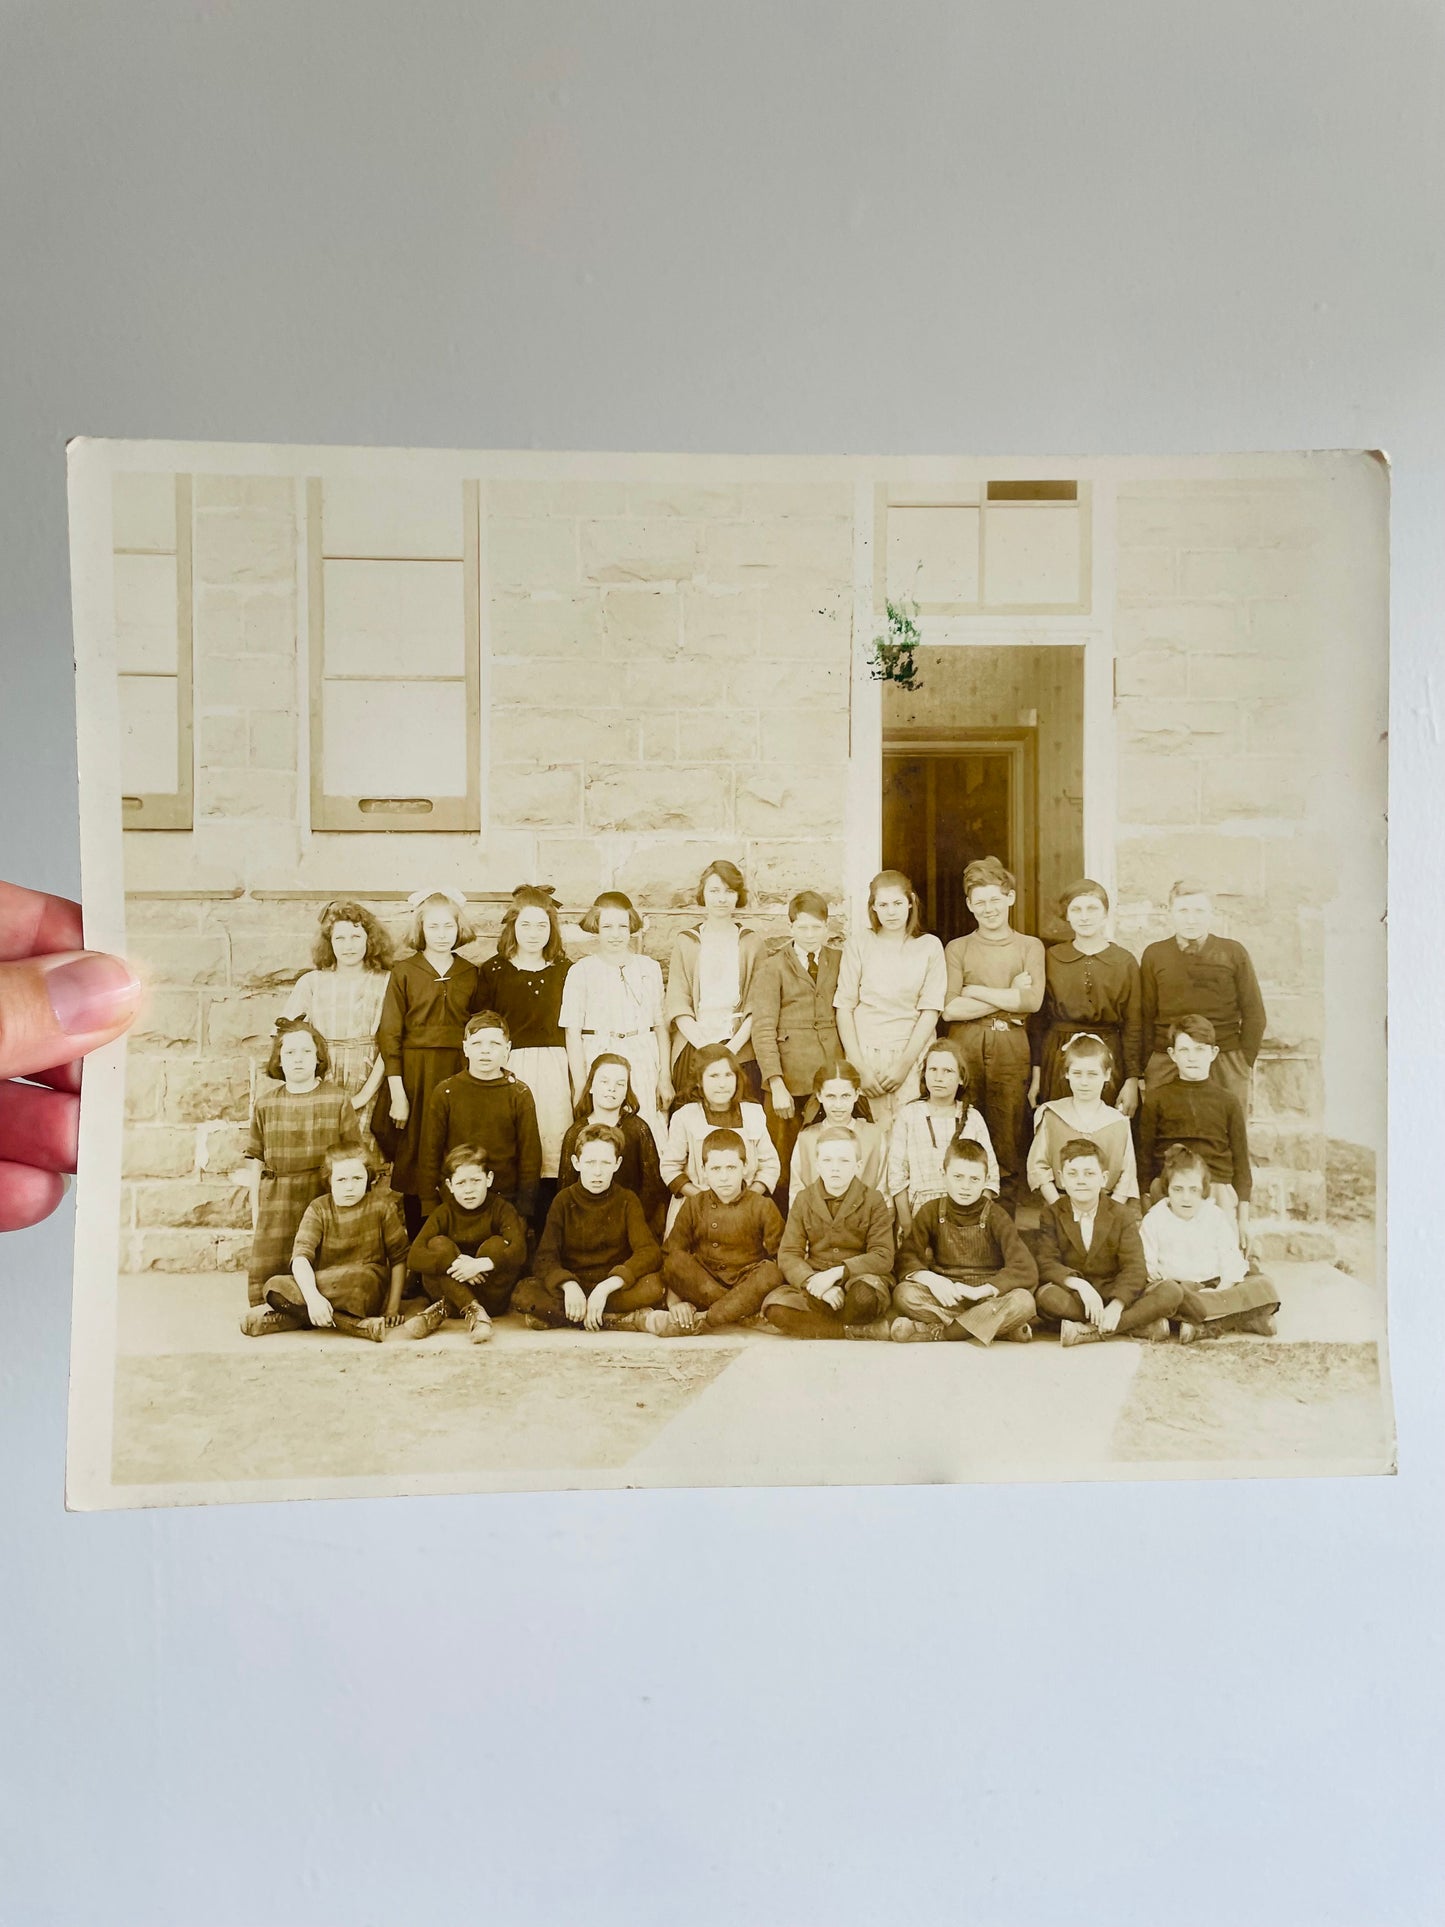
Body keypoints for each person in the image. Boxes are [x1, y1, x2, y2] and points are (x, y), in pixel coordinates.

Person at [940, 857, 1046, 1212]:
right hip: (965, 1045)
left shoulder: (1029, 946)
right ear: (970, 905)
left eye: (995, 899)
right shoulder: (958, 947)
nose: (989, 908)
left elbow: (1031, 1000)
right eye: (980, 902)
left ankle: (1001, 1229)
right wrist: (1005, 997)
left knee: (1007, 1136)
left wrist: (977, 991)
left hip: (1010, 1048)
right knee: (964, 1130)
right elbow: (950, 1009)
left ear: (1011, 898)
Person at [375, 887, 481, 1239]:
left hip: (457, 1071)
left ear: (458, 929)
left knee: (456, 1151)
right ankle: (420, 1249)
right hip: (415, 1076)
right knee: (416, 1157)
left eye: (448, 926)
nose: (441, 934)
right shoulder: (404, 971)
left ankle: (456, 1243)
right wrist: (398, 1092)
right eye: (433, 927)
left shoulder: (470, 973)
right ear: (421, 929)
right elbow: (389, 1033)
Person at [244, 1018, 362, 1306]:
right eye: (290, 1053)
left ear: (319, 1058)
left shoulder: (337, 1100)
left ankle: (317, 1307)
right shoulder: (266, 1104)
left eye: (307, 1052)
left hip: (321, 1194)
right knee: (273, 1274)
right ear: (279, 1060)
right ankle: (278, 1310)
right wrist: (257, 1211)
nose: (299, 1060)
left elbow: (353, 1156)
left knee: (324, 1268)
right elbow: (255, 1161)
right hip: (279, 1198)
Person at [472, 885, 572, 1224]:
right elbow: (481, 1024)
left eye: (542, 925)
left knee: (551, 1144)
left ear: (552, 930)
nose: (533, 933)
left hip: (556, 1069)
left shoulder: (565, 971)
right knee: (510, 1144)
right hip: (511, 1066)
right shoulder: (494, 971)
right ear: (512, 926)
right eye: (526, 925)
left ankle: (546, 1229)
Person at [511, 1123, 667, 1332]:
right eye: (590, 1162)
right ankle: (619, 1320)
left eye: (605, 1163)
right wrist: (569, 1285)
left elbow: (649, 1251)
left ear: (617, 1164)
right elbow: (545, 1258)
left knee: (655, 1286)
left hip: (612, 1288)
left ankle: (573, 1317)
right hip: (574, 1289)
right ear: (576, 1162)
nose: (597, 1172)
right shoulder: (563, 1201)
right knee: (525, 1293)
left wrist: (606, 1287)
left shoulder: (627, 1200)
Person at [243, 1146, 406, 1342]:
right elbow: (301, 1257)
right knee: (274, 1286)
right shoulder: (318, 1208)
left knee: (360, 1280)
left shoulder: (382, 1207)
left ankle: (288, 1318)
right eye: (341, 1179)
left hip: (363, 1286)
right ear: (329, 1180)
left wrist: (392, 1308)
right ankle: (358, 1327)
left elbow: (399, 1258)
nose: (349, 1187)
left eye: (357, 1179)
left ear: (368, 1177)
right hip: (324, 1283)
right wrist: (312, 1299)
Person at [743, 888, 842, 1204]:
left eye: (816, 927)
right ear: (791, 927)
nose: (810, 934)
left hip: (829, 1079)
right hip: (789, 1083)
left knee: (828, 1157)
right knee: (784, 1166)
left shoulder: (839, 961)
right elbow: (762, 1028)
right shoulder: (774, 967)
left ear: (827, 928)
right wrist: (776, 1083)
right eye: (802, 927)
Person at [834, 868, 947, 1142]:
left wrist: (903, 1066)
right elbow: (844, 1007)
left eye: (897, 903)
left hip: (912, 1056)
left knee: (910, 1137)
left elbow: (930, 1010)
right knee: (869, 1140)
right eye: (882, 905)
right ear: (873, 908)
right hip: (866, 1055)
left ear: (911, 902)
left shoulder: (929, 947)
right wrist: (860, 1067)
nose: (891, 911)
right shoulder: (860, 943)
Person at [891, 1137, 1038, 1344]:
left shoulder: (997, 1215)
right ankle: (997, 1329)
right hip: (949, 1297)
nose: (965, 1186)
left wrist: (982, 1291)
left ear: (986, 1179)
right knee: (904, 1294)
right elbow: (906, 1257)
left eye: (974, 1179)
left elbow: (1025, 1267)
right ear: (944, 1175)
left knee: (1024, 1301)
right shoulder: (930, 1211)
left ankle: (942, 1332)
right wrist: (931, 1279)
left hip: (987, 1297)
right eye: (958, 1177)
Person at [1034, 1139, 1180, 1347]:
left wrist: (1117, 1304)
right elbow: (1046, 1262)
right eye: (1073, 1174)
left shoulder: (1122, 1214)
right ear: (1062, 1179)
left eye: (1089, 1173)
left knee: (1171, 1291)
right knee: (1047, 1298)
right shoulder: (1052, 1212)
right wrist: (1082, 1286)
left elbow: (1135, 1267)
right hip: (1077, 1297)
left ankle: (1090, 1331)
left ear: (1103, 1179)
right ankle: (1137, 1325)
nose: (1081, 1181)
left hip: (1116, 1292)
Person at [1139, 881, 1266, 1112]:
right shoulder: (1155, 954)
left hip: (1224, 1057)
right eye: (1183, 911)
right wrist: (1149, 1062)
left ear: (1211, 914)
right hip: (1167, 1058)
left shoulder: (1232, 952)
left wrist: (1243, 1062)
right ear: (1170, 913)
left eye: (1199, 911)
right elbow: (1145, 1015)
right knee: (1165, 1129)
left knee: (1224, 1130)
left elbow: (1254, 1013)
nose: (1191, 919)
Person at [762, 1125, 895, 1340]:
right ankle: (851, 1331)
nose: (835, 1168)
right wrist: (815, 1284)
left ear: (858, 1165)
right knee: (775, 1308)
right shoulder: (804, 1199)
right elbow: (788, 1254)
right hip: (816, 1280)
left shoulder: (873, 1199)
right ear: (817, 1165)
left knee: (863, 1298)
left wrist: (837, 1273)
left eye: (844, 1161)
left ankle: (822, 1327)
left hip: (859, 1278)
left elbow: (883, 1255)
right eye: (827, 1160)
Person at [560, 891, 672, 1144]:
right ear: (596, 928)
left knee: (645, 1128)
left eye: (622, 926)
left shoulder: (649, 968)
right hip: (599, 1055)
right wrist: (580, 1084)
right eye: (608, 926)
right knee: (602, 1132)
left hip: (642, 1055)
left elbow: (660, 1026)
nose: (615, 934)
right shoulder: (581, 971)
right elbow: (572, 1033)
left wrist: (664, 1077)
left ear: (631, 927)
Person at [282, 900, 393, 1148]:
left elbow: (393, 1041)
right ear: (329, 943)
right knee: (322, 1148)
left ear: (369, 940)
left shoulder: (387, 981)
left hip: (371, 1075)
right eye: (340, 938)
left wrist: (365, 1094)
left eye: (356, 936)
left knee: (362, 1152)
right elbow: (286, 1038)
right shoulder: (312, 982)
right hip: (322, 1076)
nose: (348, 946)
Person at [1140, 1145, 1280, 1342]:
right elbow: (1148, 1265)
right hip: (1181, 1289)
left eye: (1193, 1190)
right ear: (1167, 1189)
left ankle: (1203, 1326)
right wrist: (1154, 1273)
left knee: (1264, 1285)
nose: (1186, 1197)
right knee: (1168, 1297)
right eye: (1178, 1189)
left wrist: (1222, 1288)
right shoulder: (1155, 1219)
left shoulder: (1213, 1216)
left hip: (1216, 1285)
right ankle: (1242, 1318)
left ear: (1203, 1190)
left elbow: (1230, 1257)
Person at [1137, 1016, 1254, 1250]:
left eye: (1200, 1050)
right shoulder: (1157, 1098)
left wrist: (1243, 1218)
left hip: (1216, 1188)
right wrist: (1147, 1203)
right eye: (1184, 1049)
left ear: (1213, 1053)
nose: (1192, 1057)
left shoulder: (1228, 1102)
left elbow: (1242, 1162)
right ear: (1172, 1054)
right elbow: (1144, 1156)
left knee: (1224, 1261)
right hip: (1170, 1189)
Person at [417, 1010, 542, 1224]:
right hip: (456, 1202)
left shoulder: (518, 1093)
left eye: (494, 1044)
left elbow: (530, 1157)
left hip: (505, 1203)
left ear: (507, 1049)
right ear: (465, 1048)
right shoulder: (446, 1092)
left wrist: (524, 1210)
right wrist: (430, 1206)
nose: (485, 1051)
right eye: (477, 1044)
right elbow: (429, 1154)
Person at [1029, 879, 1142, 1114]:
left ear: (1105, 914)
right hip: (1059, 1057)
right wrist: (1037, 1074)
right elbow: (1038, 1022)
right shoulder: (1051, 958)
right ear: (1067, 916)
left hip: (1108, 1057)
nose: (1085, 916)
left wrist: (1132, 1080)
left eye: (1092, 909)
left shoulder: (1124, 961)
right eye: (1076, 909)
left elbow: (1134, 1024)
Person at [661, 1128, 786, 1333]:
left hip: (746, 1282)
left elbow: (780, 1255)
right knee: (675, 1261)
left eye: (731, 1167)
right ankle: (740, 1313)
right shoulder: (694, 1204)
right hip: (705, 1283)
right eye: (716, 1169)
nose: (724, 1177)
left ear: (745, 1167)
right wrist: (675, 1303)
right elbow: (672, 1255)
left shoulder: (762, 1205)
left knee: (771, 1272)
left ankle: (709, 1318)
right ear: (704, 1170)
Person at [664, 859, 767, 1107]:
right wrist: (706, 1049)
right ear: (703, 894)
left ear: (738, 896)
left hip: (739, 1049)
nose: (722, 899)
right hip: (695, 1046)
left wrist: (729, 1050)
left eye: (729, 891)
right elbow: (679, 1002)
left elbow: (759, 1004)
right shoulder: (687, 941)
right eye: (715, 891)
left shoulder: (751, 943)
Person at [402, 1144, 530, 1344]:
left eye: (476, 1181)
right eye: (461, 1183)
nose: (469, 1190)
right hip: (454, 1290)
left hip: (492, 1297)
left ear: (489, 1179)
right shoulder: (444, 1212)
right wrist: (455, 1263)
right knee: (438, 1245)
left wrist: (481, 1264)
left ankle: (442, 1310)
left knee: (497, 1245)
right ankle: (474, 1312)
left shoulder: (501, 1209)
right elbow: (414, 1256)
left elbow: (519, 1250)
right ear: (450, 1185)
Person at [659, 1042, 779, 1230]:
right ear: (699, 1081)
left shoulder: (753, 1113)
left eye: (728, 1075)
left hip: (746, 1208)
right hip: (697, 1208)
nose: (722, 1084)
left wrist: (746, 1200)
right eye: (714, 1076)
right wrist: (701, 1199)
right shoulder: (685, 1116)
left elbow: (770, 1166)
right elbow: (670, 1168)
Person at [887, 1036, 999, 1235]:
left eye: (948, 1071)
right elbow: (896, 1176)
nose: (939, 1077)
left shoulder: (972, 1118)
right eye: (933, 1070)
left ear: (961, 1078)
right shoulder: (909, 1115)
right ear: (924, 1074)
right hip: (918, 1216)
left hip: (964, 1218)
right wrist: (906, 1223)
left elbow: (990, 1176)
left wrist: (974, 1219)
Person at [557, 1053, 669, 1237]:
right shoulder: (576, 1132)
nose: (612, 1089)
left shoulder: (637, 1128)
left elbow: (652, 1185)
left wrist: (634, 1222)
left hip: (631, 1224)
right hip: (586, 1225)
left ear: (627, 1090)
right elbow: (565, 1187)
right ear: (591, 1086)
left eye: (620, 1084)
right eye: (604, 1082)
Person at [1026, 1032, 1140, 1212]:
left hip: (1107, 1209)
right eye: (1077, 1073)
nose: (1084, 1082)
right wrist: (1059, 1207)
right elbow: (1038, 1167)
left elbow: (1127, 1176)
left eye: (1092, 1074)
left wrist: (1109, 1215)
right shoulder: (1052, 1115)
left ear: (1107, 1074)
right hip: (1060, 1205)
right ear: (1067, 1074)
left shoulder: (1118, 1122)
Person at [788, 1059, 889, 1200]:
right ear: (819, 1096)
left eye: (845, 1096)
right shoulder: (806, 1138)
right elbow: (796, 1193)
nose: (838, 1105)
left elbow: (883, 1192)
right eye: (831, 1096)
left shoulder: (874, 1136)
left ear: (857, 1094)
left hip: (866, 1218)